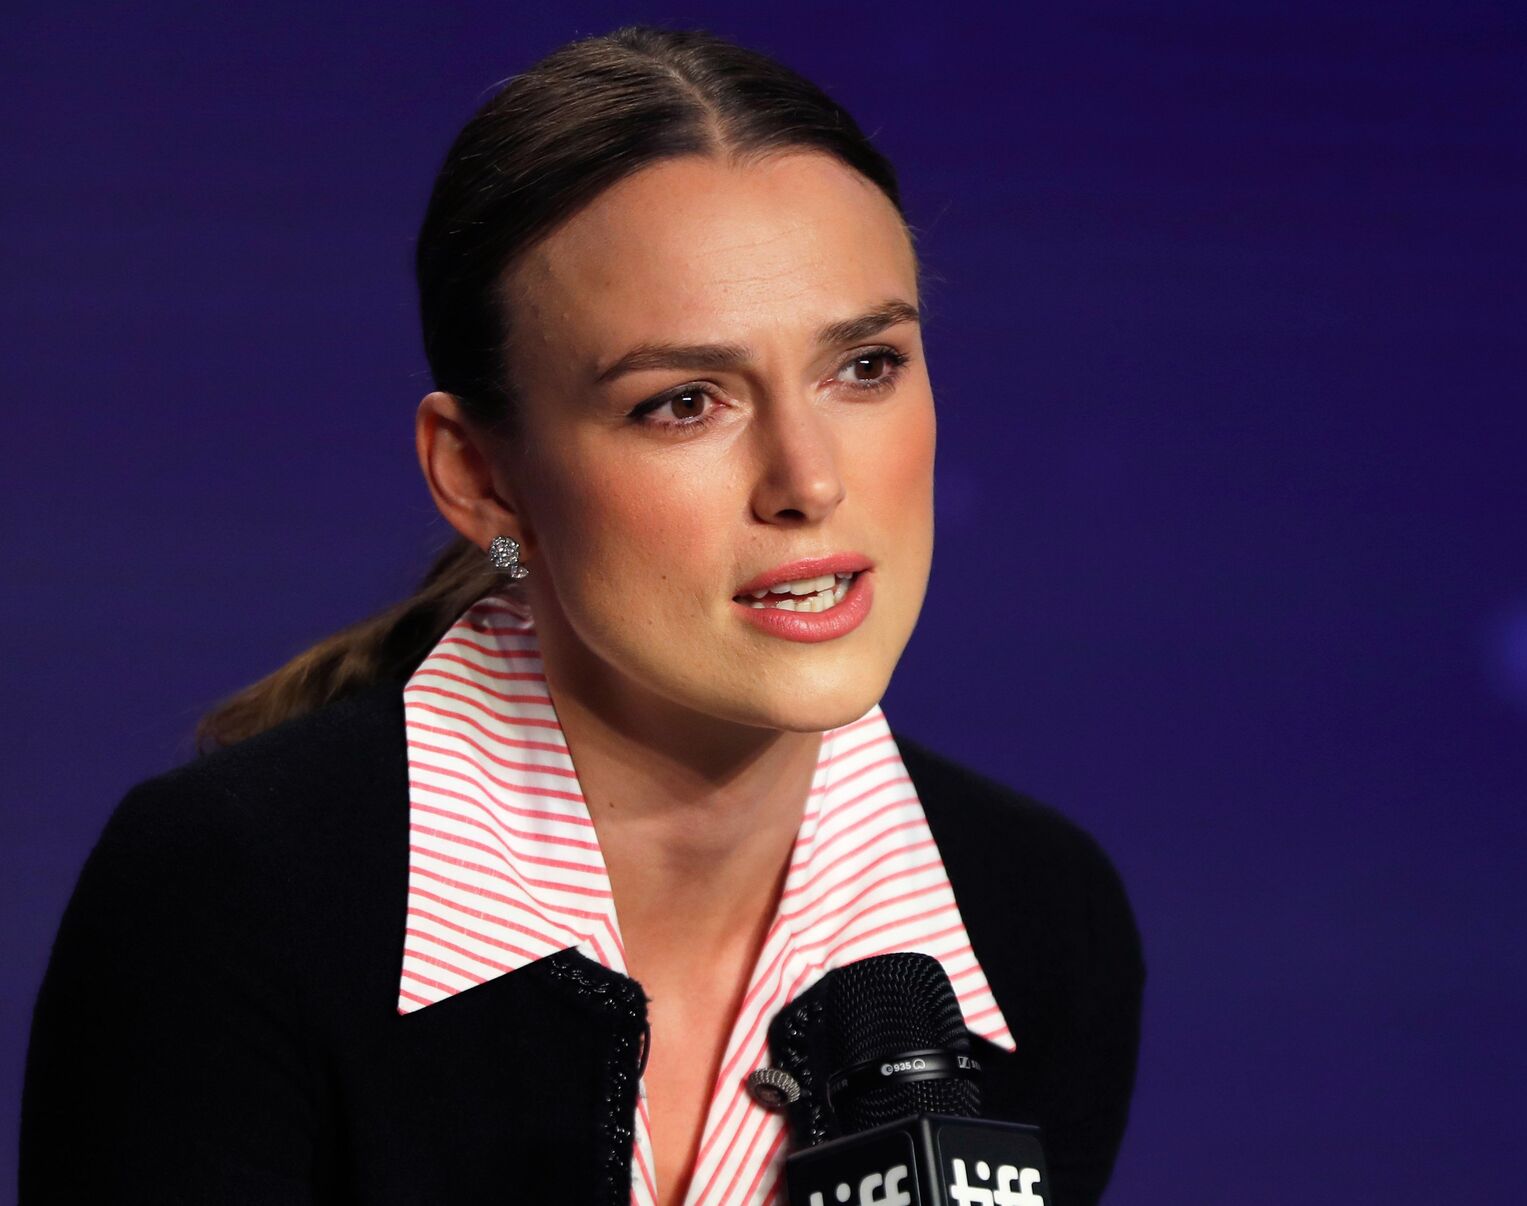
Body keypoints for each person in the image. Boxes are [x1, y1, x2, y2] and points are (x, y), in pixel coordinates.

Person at [18, 23, 1144, 1206]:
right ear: (480, 478)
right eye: (685, 401)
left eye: (864, 367)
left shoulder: (1037, 921)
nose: (809, 481)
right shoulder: (234, 893)